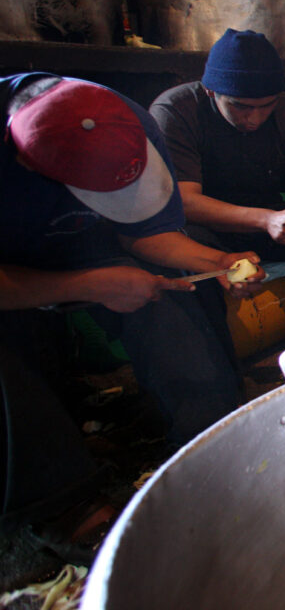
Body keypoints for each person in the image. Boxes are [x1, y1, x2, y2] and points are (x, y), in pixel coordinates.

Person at [0, 75, 258, 560]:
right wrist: (86, 285)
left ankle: (208, 446)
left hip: (86, 248)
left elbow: (143, 235)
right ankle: (65, 504)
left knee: (174, 296)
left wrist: (215, 263)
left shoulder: (121, 122)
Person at [150, 29, 285, 338]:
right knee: (185, 238)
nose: (254, 119)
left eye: (265, 106)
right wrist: (266, 220)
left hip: (272, 224)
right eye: (240, 106)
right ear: (211, 91)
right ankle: (219, 355)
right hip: (213, 228)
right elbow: (185, 202)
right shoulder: (176, 111)